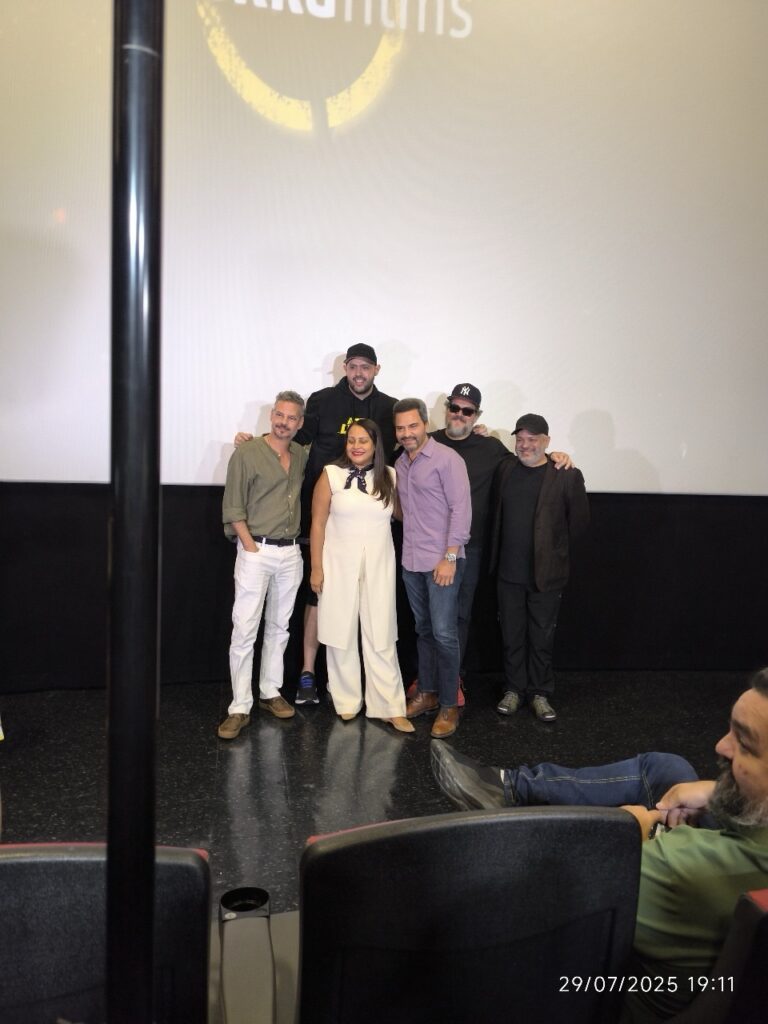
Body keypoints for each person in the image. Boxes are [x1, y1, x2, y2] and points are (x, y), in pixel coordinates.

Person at [431, 666, 768, 1021]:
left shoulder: (677, 869)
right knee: (667, 769)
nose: (720, 746)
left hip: (604, 997)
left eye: (745, 744)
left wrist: (629, 834)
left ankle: (509, 812)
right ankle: (508, 788)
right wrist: (715, 792)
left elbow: (547, 889)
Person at [234, 343, 397, 705]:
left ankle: (370, 686)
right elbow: (292, 438)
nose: (358, 373)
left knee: (370, 601)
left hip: (368, 516)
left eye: (365, 367)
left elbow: (406, 444)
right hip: (319, 512)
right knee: (317, 591)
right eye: (353, 366)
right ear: (344, 368)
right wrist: (253, 441)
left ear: (376, 370)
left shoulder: (389, 407)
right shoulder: (322, 400)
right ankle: (308, 672)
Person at [428, 384, 574, 689]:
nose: (459, 414)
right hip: (427, 546)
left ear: (476, 415)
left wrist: (554, 455)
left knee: (460, 617)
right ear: (447, 409)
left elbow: (529, 460)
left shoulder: (492, 449)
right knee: (427, 621)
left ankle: (452, 682)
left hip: (470, 549)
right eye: (454, 407)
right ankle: (428, 681)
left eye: (467, 410)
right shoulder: (429, 443)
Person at [309, 419, 413, 732]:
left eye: (363, 441)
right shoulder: (330, 474)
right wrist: (316, 567)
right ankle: (346, 701)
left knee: (381, 632)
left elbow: (404, 515)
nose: (356, 446)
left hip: (379, 564)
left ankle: (389, 706)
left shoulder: (390, 475)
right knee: (339, 631)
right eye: (351, 440)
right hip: (337, 564)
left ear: (375, 444)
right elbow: (317, 523)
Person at [218, 391, 308, 739]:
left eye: (291, 418)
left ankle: (270, 691)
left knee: (279, 627)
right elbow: (233, 505)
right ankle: (240, 706)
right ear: (272, 416)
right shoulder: (247, 452)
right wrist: (250, 546)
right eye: (280, 415)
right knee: (244, 628)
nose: (284, 422)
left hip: (291, 553)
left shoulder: (300, 455)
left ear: (300, 423)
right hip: (256, 549)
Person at [489, 413, 589, 722]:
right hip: (507, 573)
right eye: (520, 439)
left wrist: (555, 554)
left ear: (546, 441)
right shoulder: (505, 469)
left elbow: (579, 524)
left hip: (546, 575)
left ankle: (540, 693)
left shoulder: (566, 475)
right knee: (512, 636)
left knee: (542, 638)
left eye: (532, 440)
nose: (525, 445)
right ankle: (514, 689)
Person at [395, 398, 471, 739]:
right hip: (412, 561)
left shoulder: (447, 459)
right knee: (424, 630)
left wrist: (450, 557)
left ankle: (449, 704)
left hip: (443, 562)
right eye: (401, 428)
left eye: (412, 425)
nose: (407, 433)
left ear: (425, 424)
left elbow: (461, 510)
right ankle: (426, 693)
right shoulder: (401, 463)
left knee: (444, 634)